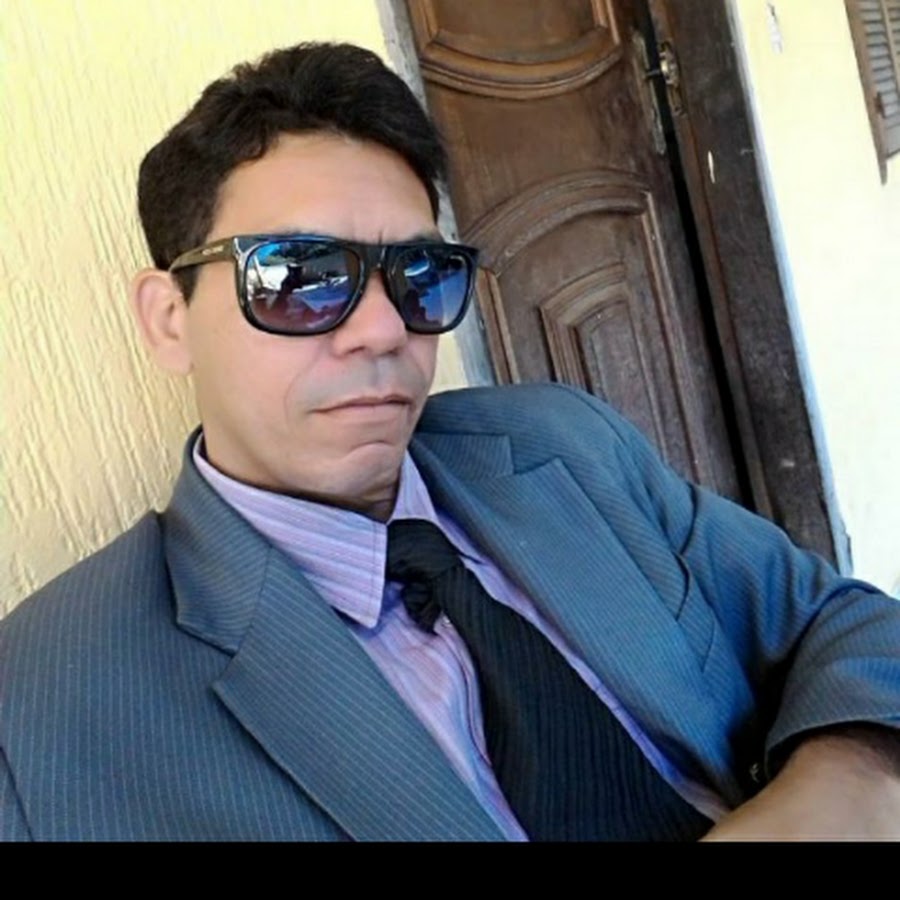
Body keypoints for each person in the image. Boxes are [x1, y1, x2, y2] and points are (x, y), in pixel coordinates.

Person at [1, 42, 898, 842]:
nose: (383, 330)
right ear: (169, 321)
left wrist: (847, 785)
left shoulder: (563, 447)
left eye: (421, 274)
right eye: (302, 278)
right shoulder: (42, 708)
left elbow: (836, 620)